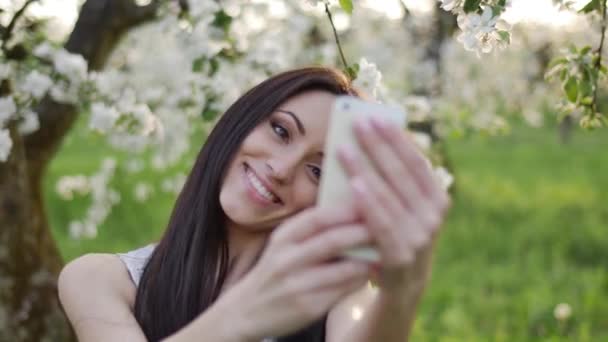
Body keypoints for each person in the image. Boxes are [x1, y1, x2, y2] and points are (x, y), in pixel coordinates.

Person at [58, 67, 450, 342]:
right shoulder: (99, 279)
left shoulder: (336, 294)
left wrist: (403, 291)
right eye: (281, 130)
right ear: (240, 120)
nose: (281, 168)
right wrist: (248, 312)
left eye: (317, 171)